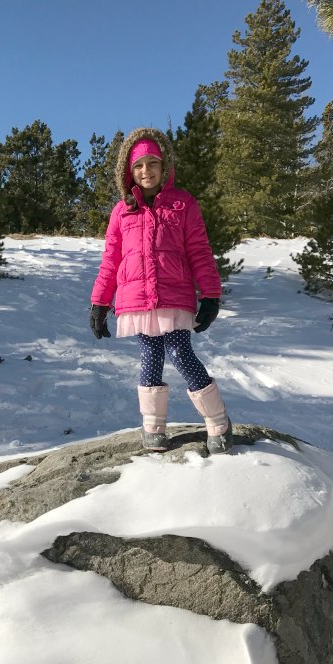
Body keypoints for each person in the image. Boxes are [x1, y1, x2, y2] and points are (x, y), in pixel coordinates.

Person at [89, 126, 233, 454]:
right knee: (150, 357)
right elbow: (111, 260)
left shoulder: (183, 204)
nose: (145, 171)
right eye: (138, 166)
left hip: (173, 296)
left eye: (152, 164)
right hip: (137, 300)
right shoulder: (121, 211)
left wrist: (211, 294)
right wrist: (99, 302)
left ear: (164, 166)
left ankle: (218, 420)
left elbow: (199, 250)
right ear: (129, 171)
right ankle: (153, 427)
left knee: (181, 354)